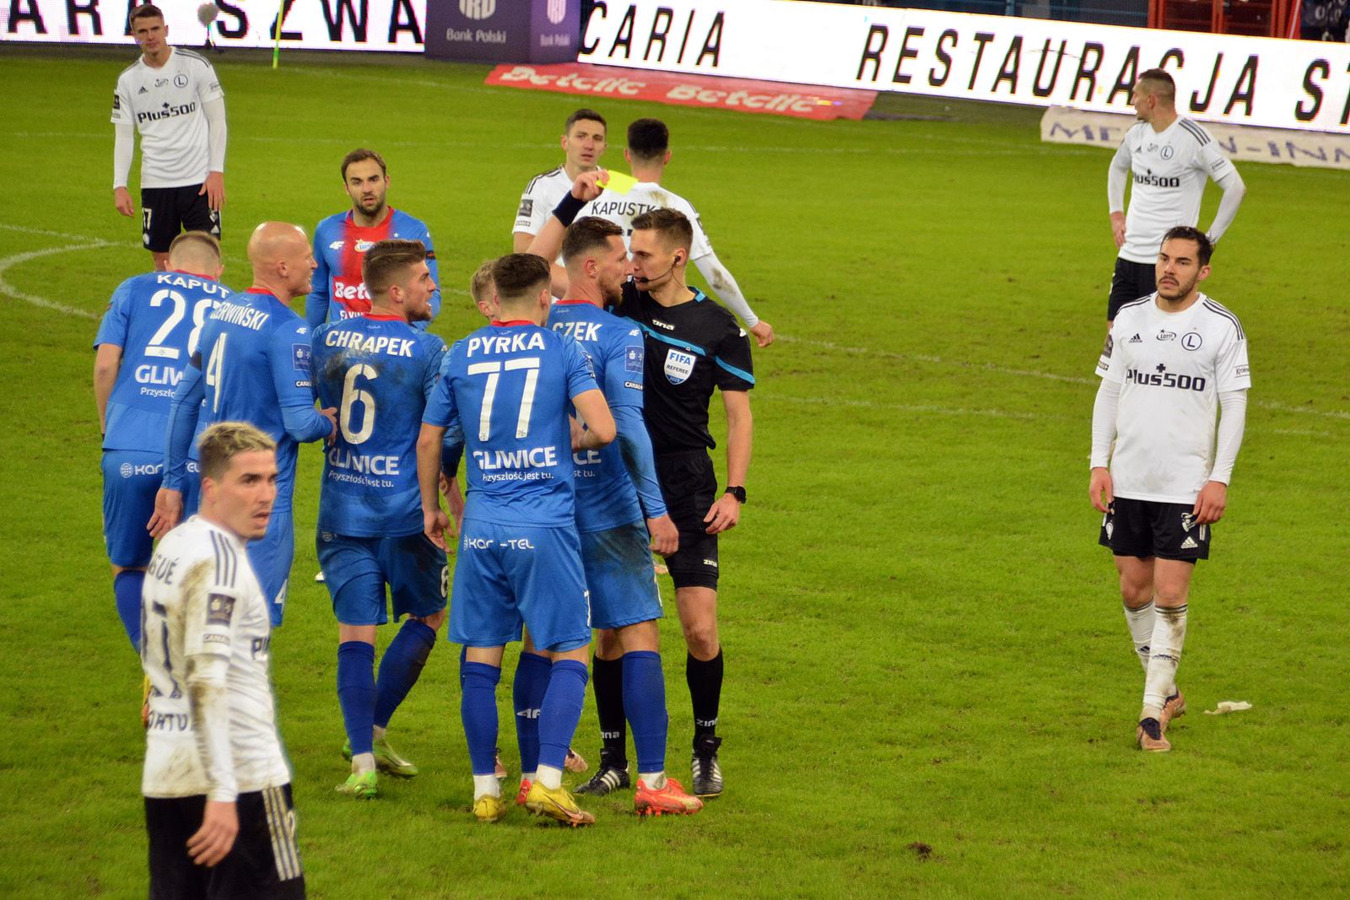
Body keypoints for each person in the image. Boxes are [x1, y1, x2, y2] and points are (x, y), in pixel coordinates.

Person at [529, 196, 754, 798]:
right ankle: (614, 759)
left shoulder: (718, 328)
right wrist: (572, 203)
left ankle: (705, 747)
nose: (632, 264)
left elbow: (739, 416)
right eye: (627, 253)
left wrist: (735, 491)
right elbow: (542, 267)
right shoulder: (618, 301)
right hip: (616, 476)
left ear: (678, 258)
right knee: (612, 628)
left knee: (699, 628)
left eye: (645, 255)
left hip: (684, 482)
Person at [416, 253, 616, 826]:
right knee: (571, 645)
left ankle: (486, 790)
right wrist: (570, 442)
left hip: (482, 525)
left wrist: (432, 508)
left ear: (495, 299)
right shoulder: (562, 350)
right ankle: (547, 781)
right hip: (543, 524)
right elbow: (604, 428)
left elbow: (429, 441)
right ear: (545, 298)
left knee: (481, 655)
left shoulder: (460, 352)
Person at [539, 217, 701, 816]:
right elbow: (627, 426)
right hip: (606, 507)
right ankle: (653, 780)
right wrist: (656, 512)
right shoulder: (620, 333)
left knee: (547, 640)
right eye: (617, 260)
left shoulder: (535, 326)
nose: (627, 269)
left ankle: (535, 774)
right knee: (637, 632)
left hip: (543, 508)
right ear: (589, 267)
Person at [1090, 226, 1251, 752]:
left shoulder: (1221, 326)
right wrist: (1098, 464)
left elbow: (1235, 407)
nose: (1168, 269)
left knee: (1170, 594)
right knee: (1133, 591)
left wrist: (1219, 477)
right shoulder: (1130, 317)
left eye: (1182, 262)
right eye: (1164, 258)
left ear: (1203, 271)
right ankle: (1170, 692)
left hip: (1185, 485)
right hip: (1129, 479)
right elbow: (1108, 391)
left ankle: (1150, 715)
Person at [311, 240, 450, 800]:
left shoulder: (326, 338)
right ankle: (372, 729)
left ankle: (363, 764)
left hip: (341, 507)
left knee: (355, 633)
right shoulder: (428, 349)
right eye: (423, 279)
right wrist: (446, 485)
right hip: (405, 512)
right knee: (429, 614)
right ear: (396, 291)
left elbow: (305, 409)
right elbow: (441, 431)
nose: (432, 286)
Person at [141, 421, 304, 898]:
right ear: (210, 487)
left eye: (272, 479)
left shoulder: (174, 546)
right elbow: (206, 676)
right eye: (249, 480)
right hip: (241, 779)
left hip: (167, 774)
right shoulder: (222, 563)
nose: (266, 495)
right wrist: (223, 792)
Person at [154, 222, 338, 627]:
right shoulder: (288, 329)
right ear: (283, 267)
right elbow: (301, 424)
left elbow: (184, 401)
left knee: (208, 619)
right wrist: (328, 422)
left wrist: (171, 481)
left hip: (215, 497)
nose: (314, 264)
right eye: (307, 257)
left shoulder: (222, 312)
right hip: (261, 504)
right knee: (250, 627)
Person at [95, 232, 232, 651]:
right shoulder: (233, 305)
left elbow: (105, 365)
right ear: (218, 271)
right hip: (197, 452)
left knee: (129, 565)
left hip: (129, 443)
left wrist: (108, 428)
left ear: (168, 265)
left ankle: (154, 659)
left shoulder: (133, 287)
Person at [573, 117, 774, 347]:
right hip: (644, 317)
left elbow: (568, 255)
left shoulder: (596, 197)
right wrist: (752, 320)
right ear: (667, 156)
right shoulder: (676, 207)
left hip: (592, 310)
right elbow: (714, 275)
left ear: (627, 155)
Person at [1106, 69, 1245, 324]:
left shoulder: (1193, 138)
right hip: (1128, 255)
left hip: (1167, 263)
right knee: (1115, 337)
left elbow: (1235, 187)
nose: (1132, 101)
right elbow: (1117, 166)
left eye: (1136, 95)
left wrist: (1210, 240)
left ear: (1151, 100)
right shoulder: (1137, 133)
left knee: (1159, 338)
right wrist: (1116, 213)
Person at [112, 3, 226, 271]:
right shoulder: (128, 80)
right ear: (134, 35)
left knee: (207, 255)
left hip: (199, 182)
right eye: (143, 31)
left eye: (155, 29)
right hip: (156, 182)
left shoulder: (195, 66)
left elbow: (217, 121)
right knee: (161, 260)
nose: (150, 36)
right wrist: (119, 185)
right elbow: (124, 136)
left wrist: (216, 171)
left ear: (166, 30)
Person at [307, 149, 441, 331]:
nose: (367, 189)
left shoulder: (412, 230)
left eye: (373, 179)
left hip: (390, 339)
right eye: (357, 182)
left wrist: (406, 334)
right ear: (346, 188)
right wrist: (312, 340)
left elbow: (432, 294)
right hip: (343, 341)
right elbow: (318, 293)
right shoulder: (327, 230)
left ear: (386, 181)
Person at [512, 109, 608, 255]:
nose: (589, 145)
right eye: (581, 136)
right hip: (554, 270)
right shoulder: (541, 185)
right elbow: (522, 249)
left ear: (604, 148)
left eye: (597, 138)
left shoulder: (617, 187)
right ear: (565, 142)